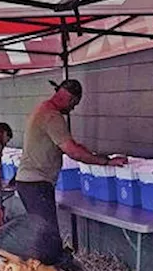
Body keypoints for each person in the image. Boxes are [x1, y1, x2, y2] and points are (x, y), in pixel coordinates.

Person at [15, 79, 124, 229]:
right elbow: (73, 152)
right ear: (72, 98)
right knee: (47, 234)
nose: (72, 109)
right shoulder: (52, 116)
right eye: (74, 104)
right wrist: (106, 161)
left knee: (40, 232)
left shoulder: (41, 108)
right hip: (36, 183)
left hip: (28, 182)